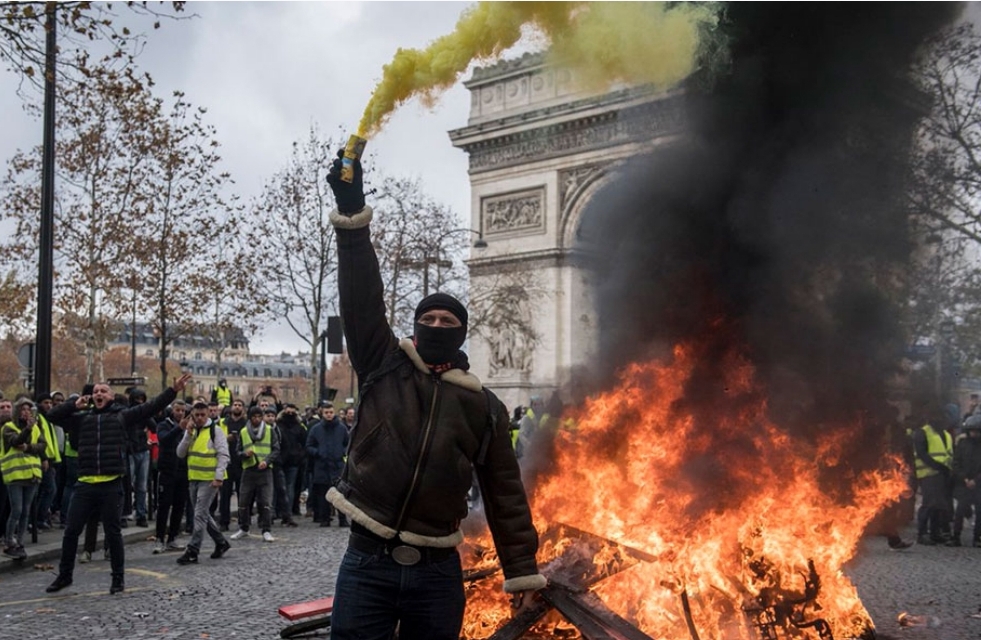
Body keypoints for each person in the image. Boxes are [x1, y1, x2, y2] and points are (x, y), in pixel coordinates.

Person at [325, 150, 545, 639]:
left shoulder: (484, 408)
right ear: (415, 326)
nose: (437, 325)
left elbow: (505, 494)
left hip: (437, 571)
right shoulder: (382, 364)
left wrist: (521, 571)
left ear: (462, 335)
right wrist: (352, 216)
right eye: (428, 319)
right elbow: (361, 296)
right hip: (367, 562)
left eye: (448, 322)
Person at [45, 374, 192, 595]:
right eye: (96, 392)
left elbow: (151, 407)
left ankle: (118, 578)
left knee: (113, 533)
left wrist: (173, 390)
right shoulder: (81, 418)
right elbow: (51, 416)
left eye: (103, 391)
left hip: (111, 483)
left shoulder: (122, 416)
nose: (99, 394)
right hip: (85, 483)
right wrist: (72, 404)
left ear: (112, 397)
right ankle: (65, 576)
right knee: (71, 532)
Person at [175, 401, 231, 565]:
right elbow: (180, 453)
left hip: (210, 479)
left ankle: (193, 550)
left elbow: (223, 455)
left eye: (202, 415)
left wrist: (219, 476)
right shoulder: (191, 431)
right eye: (196, 415)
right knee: (203, 514)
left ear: (207, 414)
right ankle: (221, 542)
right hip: (194, 477)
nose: (199, 418)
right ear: (192, 415)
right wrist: (187, 434)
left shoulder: (216, 431)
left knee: (198, 515)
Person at [1, 398, 45, 559]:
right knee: (16, 510)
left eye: (28, 409)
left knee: (26, 511)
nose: (26, 412)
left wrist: (28, 447)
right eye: (23, 409)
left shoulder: (36, 428)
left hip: (32, 475)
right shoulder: (8, 427)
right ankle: (8, 542)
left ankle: (19, 542)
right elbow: (15, 441)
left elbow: (42, 446)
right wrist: (27, 430)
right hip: (15, 475)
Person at [230, 406, 278, 542]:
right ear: (250, 418)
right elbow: (237, 451)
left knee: (266, 502)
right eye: (254, 417)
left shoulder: (270, 431)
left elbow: (276, 449)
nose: (256, 419)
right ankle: (243, 528)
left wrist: (267, 461)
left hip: (265, 470)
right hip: (249, 469)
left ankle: (266, 529)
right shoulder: (244, 432)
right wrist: (245, 454)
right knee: (243, 501)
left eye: (259, 416)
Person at [912, 407, 954, 546]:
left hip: (943, 474)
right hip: (928, 474)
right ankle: (922, 534)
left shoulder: (946, 434)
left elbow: (949, 454)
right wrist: (938, 466)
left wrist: (947, 470)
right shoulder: (922, 432)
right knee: (929, 504)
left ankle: (935, 533)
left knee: (939, 505)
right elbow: (922, 454)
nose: (942, 421)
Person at [153, 400, 189, 554]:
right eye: (177, 410)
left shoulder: (188, 427)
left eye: (182, 410)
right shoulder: (163, 425)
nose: (180, 413)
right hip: (167, 470)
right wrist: (178, 428)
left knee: (179, 506)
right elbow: (164, 439)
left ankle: (172, 537)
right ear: (172, 410)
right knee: (164, 506)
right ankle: (160, 538)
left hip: (183, 470)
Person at [305, 402, 347, 526]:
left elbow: (347, 443)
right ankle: (324, 519)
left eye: (331, 412)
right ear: (322, 414)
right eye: (326, 413)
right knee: (323, 494)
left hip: (337, 465)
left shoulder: (342, 428)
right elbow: (308, 445)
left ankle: (343, 519)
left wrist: (342, 452)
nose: (329, 415)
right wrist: (318, 453)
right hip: (322, 465)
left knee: (340, 495)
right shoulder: (316, 429)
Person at [216, 398, 246, 532]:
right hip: (226, 461)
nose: (237, 407)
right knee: (225, 495)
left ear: (243, 409)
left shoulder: (246, 424)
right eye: (235, 405)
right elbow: (215, 438)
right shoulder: (223, 422)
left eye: (240, 405)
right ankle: (224, 521)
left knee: (243, 494)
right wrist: (225, 439)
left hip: (241, 462)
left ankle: (243, 521)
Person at [951, 414, 981, 546]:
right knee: (960, 511)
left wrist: (975, 480)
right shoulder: (962, 444)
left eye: (977, 431)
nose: (974, 433)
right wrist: (964, 478)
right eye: (972, 430)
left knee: (980, 512)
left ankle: (977, 538)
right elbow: (956, 463)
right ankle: (955, 537)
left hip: (978, 484)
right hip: (963, 483)